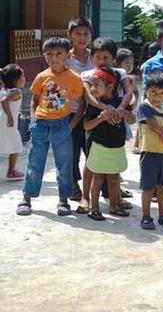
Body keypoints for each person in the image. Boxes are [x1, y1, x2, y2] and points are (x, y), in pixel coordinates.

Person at [16, 37, 84, 216]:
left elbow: (82, 103)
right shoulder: (42, 77)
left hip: (62, 125)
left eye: (58, 54)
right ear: (44, 56)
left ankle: (63, 200)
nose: (54, 58)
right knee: (34, 162)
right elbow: (34, 100)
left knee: (64, 164)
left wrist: (71, 125)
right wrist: (33, 121)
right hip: (40, 124)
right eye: (49, 54)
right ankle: (26, 198)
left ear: (68, 55)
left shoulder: (74, 78)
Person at [78, 38, 134, 214]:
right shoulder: (88, 74)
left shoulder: (119, 73)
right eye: (98, 57)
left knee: (113, 170)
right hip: (99, 119)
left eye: (106, 57)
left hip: (116, 118)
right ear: (92, 57)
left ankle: (115, 201)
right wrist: (105, 110)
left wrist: (120, 109)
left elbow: (129, 92)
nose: (102, 61)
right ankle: (86, 198)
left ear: (113, 58)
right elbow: (88, 96)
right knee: (91, 164)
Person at [137, 70, 163, 230]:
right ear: (146, 90)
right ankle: (146, 217)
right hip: (149, 153)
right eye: (153, 92)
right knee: (148, 188)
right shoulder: (144, 106)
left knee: (162, 187)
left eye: (161, 93)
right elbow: (154, 126)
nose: (156, 96)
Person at [65, 16, 94, 202]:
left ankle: (103, 185)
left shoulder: (96, 56)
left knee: (94, 150)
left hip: (93, 111)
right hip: (71, 112)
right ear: (69, 36)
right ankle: (74, 184)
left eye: (85, 34)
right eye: (77, 34)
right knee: (73, 151)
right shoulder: (64, 58)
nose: (81, 38)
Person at [0, 64, 26, 180]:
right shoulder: (16, 92)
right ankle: (11, 171)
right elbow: (4, 102)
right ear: (16, 80)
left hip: (3, 120)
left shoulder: (4, 89)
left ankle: (11, 170)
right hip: (8, 122)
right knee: (16, 144)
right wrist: (10, 117)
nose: (24, 79)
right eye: (23, 76)